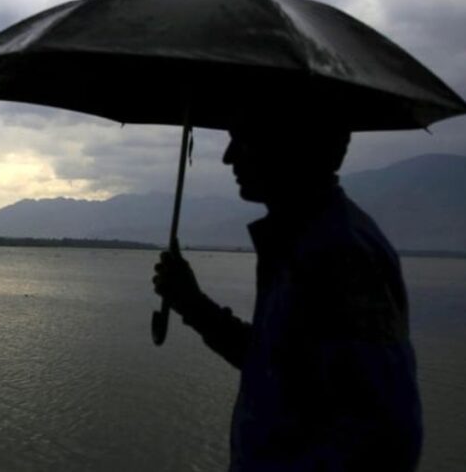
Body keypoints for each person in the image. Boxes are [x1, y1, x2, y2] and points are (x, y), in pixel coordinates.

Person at [153, 113, 422, 471]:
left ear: (289, 145)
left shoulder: (341, 254)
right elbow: (274, 362)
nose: (228, 156)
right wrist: (193, 304)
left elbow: (385, 432)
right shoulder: (304, 241)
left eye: (243, 138)